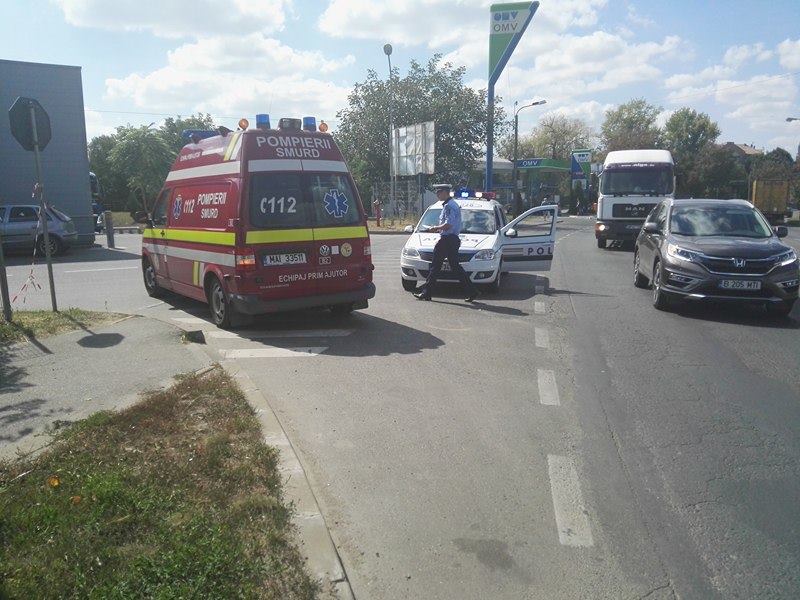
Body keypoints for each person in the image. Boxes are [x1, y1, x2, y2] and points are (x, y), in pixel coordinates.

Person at [414, 185, 479, 303]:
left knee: (435, 266)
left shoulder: (449, 206)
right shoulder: (450, 204)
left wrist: (435, 228)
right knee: (455, 267)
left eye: (439, 192)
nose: (437, 194)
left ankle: (427, 293)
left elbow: (448, 225)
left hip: (447, 240)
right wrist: (438, 229)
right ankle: (472, 291)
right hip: (451, 239)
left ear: (445, 192)